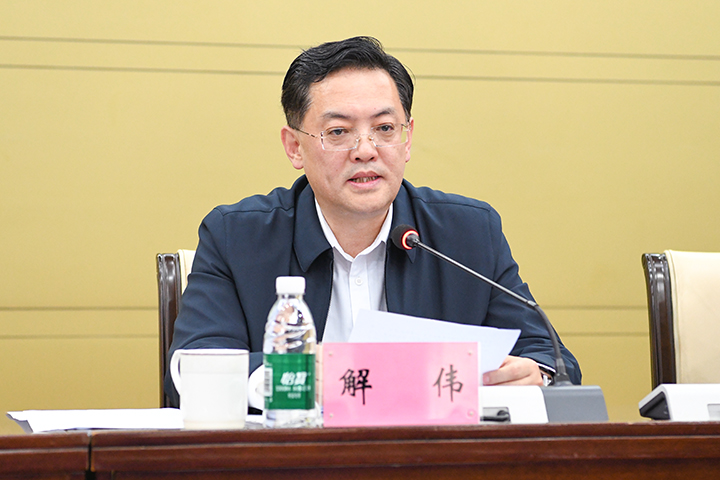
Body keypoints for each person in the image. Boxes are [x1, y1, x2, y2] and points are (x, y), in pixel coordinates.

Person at [166, 36, 580, 409]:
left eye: (384, 128)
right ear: (294, 147)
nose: (365, 150)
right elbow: (192, 369)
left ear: (407, 138)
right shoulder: (236, 237)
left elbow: (551, 357)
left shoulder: (469, 234)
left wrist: (535, 375)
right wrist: (294, 378)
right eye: (339, 132)